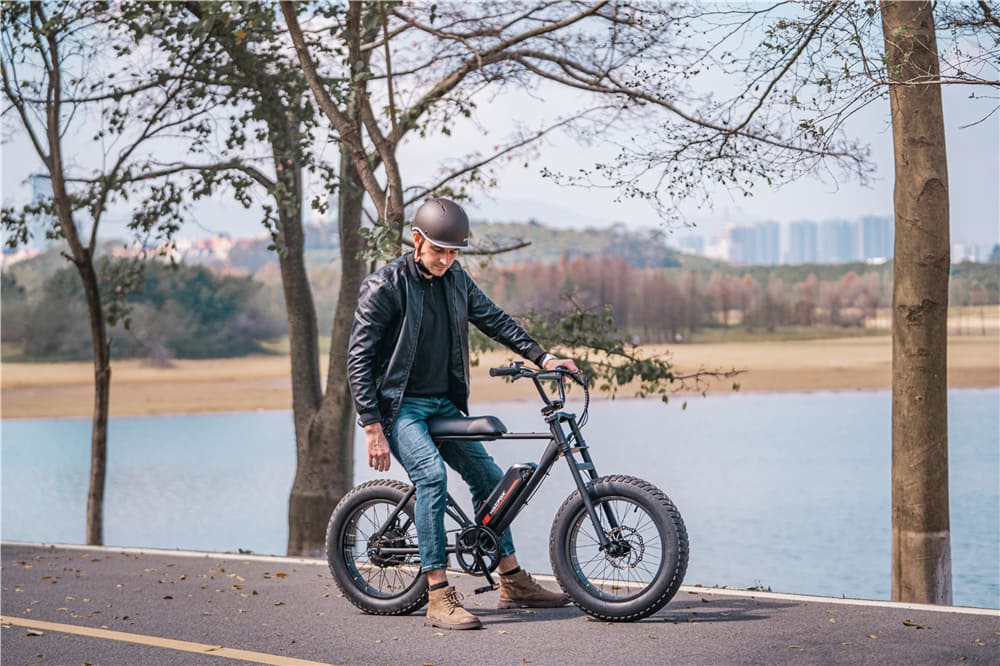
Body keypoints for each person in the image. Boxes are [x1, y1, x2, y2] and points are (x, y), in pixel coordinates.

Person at [347, 197, 579, 630]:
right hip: (400, 408)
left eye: (454, 252)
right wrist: (372, 425)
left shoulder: (456, 280)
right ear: (417, 241)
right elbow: (358, 359)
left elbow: (495, 320)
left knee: (490, 479)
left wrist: (544, 358)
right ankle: (438, 595)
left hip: (443, 404)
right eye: (439, 250)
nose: (446, 259)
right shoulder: (385, 286)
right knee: (431, 476)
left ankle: (511, 579)